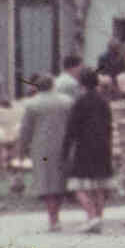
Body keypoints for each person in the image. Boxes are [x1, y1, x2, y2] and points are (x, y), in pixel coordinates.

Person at [17, 73, 76, 232]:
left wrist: (21, 148)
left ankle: (53, 218)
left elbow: (26, 129)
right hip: (64, 146)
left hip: (41, 147)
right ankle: (56, 214)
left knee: (47, 182)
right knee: (60, 181)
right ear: (53, 85)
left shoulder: (32, 104)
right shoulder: (67, 102)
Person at [63, 66, 114, 232]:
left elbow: (72, 128)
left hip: (84, 146)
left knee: (78, 186)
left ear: (81, 83)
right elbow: (109, 126)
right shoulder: (104, 102)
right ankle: (98, 217)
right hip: (103, 146)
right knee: (99, 186)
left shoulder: (79, 102)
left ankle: (91, 215)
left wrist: (65, 149)